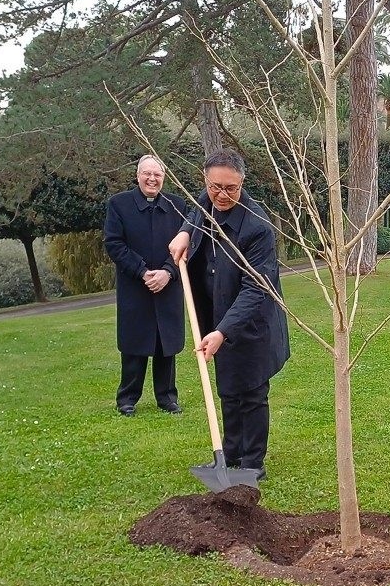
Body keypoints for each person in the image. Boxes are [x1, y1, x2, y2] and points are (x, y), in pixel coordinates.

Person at [168, 148, 289, 479]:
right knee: (228, 388)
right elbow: (196, 208)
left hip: (251, 322)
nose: (221, 195)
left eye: (230, 188)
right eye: (214, 187)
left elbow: (256, 288)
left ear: (242, 183)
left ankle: (252, 464)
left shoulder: (257, 227)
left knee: (250, 390)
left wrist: (223, 331)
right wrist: (183, 230)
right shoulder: (205, 204)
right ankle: (231, 454)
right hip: (216, 315)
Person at [103, 154, 189, 416]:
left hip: (168, 284)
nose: (152, 179)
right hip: (135, 286)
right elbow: (114, 244)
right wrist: (142, 271)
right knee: (134, 343)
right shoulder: (118, 205)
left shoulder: (177, 206)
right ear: (138, 175)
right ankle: (127, 398)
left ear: (163, 177)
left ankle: (167, 397)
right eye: (147, 174)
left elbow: (188, 244)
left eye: (157, 174)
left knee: (166, 344)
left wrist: (167, 272)